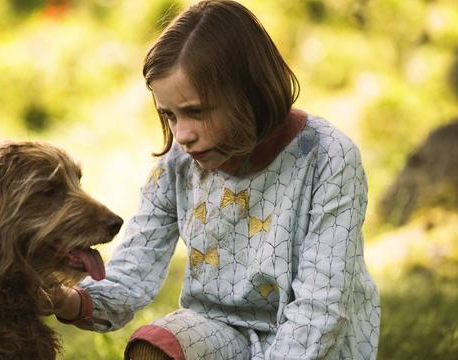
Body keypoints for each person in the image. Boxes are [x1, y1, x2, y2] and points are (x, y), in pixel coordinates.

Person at [51, 1, 380, 359]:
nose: (182, 134)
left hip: (311, 343)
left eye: (195, 112)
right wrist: (66, 301)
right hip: (219, 331)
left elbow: (320, 307)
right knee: (153, 347)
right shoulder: (180, 162)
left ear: (247, 92)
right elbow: (133, 272)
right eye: (170, 116)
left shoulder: (327, 155)